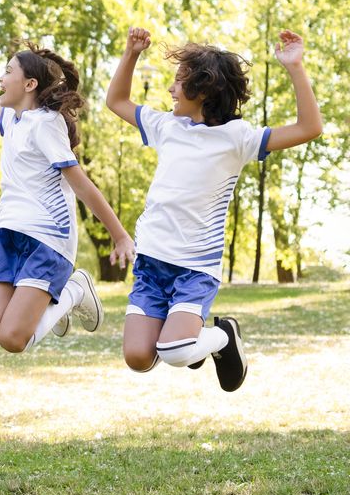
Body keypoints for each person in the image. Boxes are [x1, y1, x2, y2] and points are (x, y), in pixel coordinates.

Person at [106, 26, 322, 391]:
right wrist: (130, 55)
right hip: (151, 263)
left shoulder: (237, 139)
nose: (171, 89)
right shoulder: (166, 126)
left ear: (203, 90)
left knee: (174, 352)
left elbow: (309, 127)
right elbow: (117, 101)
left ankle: (222, 336)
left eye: (179, 81)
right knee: (139, 358)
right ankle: (190, 341)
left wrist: (295, 67)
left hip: (195, 268)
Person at [0, 20, 134, 354]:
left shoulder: (47, 125)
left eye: (7, 72)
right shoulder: (12, 119)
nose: (0, 79)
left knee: (12, 340)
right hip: (10, 236)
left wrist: (119, 235)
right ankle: (48, 304)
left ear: (29, 83)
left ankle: (75, 290)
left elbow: (81, 184)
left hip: (47, 241)